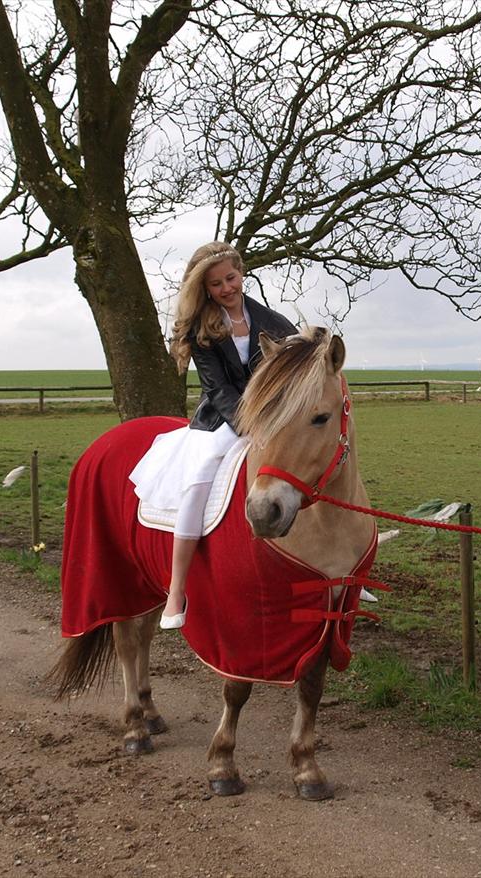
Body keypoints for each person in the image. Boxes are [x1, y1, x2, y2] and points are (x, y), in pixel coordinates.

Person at [130, 242, 296, 629]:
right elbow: (217, 387)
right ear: (205, 288)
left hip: (270, 418)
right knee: (198, 482)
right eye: (216, 283)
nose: (226, 288)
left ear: (242, 272)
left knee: (302, 463)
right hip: (221, 420)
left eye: (231, 278)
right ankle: (176, 589)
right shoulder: (200, 327)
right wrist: (250, 424)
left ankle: (335, 564)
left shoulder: (276, 323)